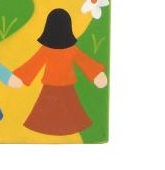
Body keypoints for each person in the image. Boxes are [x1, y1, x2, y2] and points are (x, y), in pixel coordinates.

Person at [13, 8, 107, 136]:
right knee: (58, 113)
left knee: (58, 114)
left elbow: (34, 63)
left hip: (57, 88)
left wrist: (20, 77)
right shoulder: (62, 49)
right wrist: (96, 74)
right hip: (57, 88)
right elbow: (35, 63)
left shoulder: (61, 50)